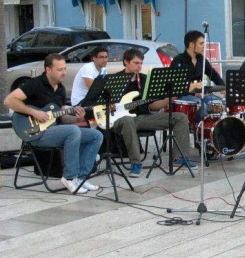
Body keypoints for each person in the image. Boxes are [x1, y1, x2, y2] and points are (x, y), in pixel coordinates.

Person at [4, 54, 103, 194]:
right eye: (60, 69)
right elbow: (9, 101)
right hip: (35, 133)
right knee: (72, 131)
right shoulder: (35, 84)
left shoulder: (60, 89)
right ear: (48, 70)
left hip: (54, 130)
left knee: (96, 135)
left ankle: (81, 178)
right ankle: (69, 177)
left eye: (65, 69)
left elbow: (60, 116)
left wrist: (76, 119)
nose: (64, 72)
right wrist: (34, 112)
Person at [112, 49, 196, 177]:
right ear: (126, 62)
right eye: (136, 63)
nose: (139, 66)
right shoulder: (115, 80)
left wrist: (169, 98)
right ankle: (136, 163)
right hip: (122, 119)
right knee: (128, 121)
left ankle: (180, 158)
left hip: (143, 118)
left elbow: (153, 106)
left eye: (141, 63)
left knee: (180, 117)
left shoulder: (145, 80)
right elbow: (105, 104)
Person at [171, 30, 225, 120]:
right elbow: (175, 85)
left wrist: (223, 87)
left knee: (217, 103)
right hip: (183, 96)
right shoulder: (178, 60)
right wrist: (193, 92)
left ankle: (212, 130)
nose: (204, 46)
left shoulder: (202, 60)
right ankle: (199, 130)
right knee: (201, 106)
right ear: (192, 45)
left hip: (200, 95)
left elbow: (214, 75)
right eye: (201, 43)